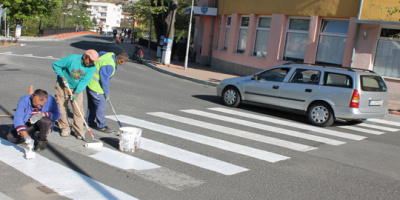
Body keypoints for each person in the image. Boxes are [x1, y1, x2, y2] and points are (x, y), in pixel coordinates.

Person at [52, 49, 100, 140]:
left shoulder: (92, 67)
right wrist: (62, 76)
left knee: (78, 109)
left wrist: (76, 92)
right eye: (90, 60)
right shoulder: (72, 59)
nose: (91, 63)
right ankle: (65, 128)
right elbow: (56, 65)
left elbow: (84, 81)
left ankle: (79, 130)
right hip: (62, 86)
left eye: (93, 61)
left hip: (77, 88)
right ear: (85, 56)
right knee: (61, 107)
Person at [86, 51, 129, 133]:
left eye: (123, 62)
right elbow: (104, 80)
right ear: (117, 57)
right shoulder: (109, 65)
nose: (122, 63)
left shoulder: (110, 54)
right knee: (101, 104)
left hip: (90, 82)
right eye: (121, 61)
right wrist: (106, 93)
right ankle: (102, 126)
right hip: (96, 86)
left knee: (92, 105)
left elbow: (101, 53)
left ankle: (90, 121)